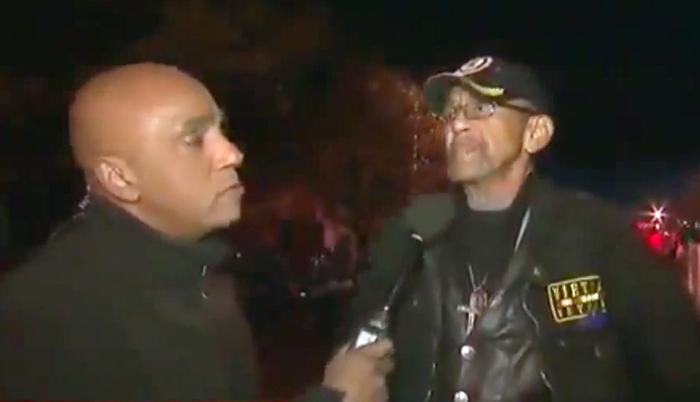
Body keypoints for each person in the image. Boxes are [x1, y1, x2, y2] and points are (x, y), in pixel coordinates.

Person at [0, 63, 393, 401]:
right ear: (120, 178)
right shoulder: (52, 314)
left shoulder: (196, 275)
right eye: (194, 139)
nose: (232, 154)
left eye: (221, 130)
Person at [348, 56, 700, 402]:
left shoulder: (599, 237)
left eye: (481, 108)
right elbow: (357, 357)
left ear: (535, 133)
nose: (457, 125)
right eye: (452, 112)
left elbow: (682, 369)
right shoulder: (409, 234)